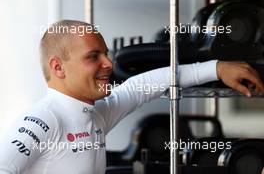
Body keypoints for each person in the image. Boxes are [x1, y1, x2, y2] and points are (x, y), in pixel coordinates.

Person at [0, 20, 263, 174]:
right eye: (93, 57)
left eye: (106, 54)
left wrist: (216, 67)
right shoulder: (41, 120)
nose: (108, 63)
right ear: (58, 67)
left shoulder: (96, 113)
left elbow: (143, 84)